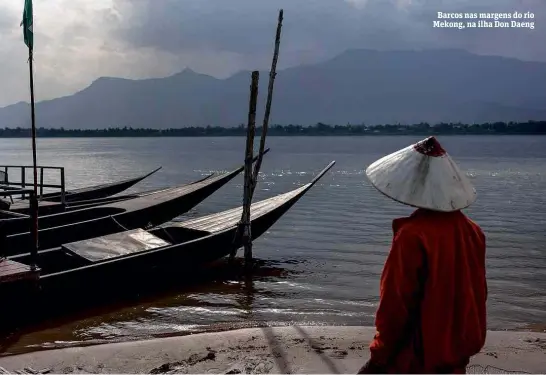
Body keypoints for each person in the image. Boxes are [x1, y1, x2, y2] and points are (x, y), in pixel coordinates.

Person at [357, 136, 487, 374]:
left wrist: (378, 356)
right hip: (456, 354)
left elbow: (395, 305)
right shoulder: (473, 231)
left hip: (417, 358)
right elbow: (478, 295)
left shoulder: (412, 236)